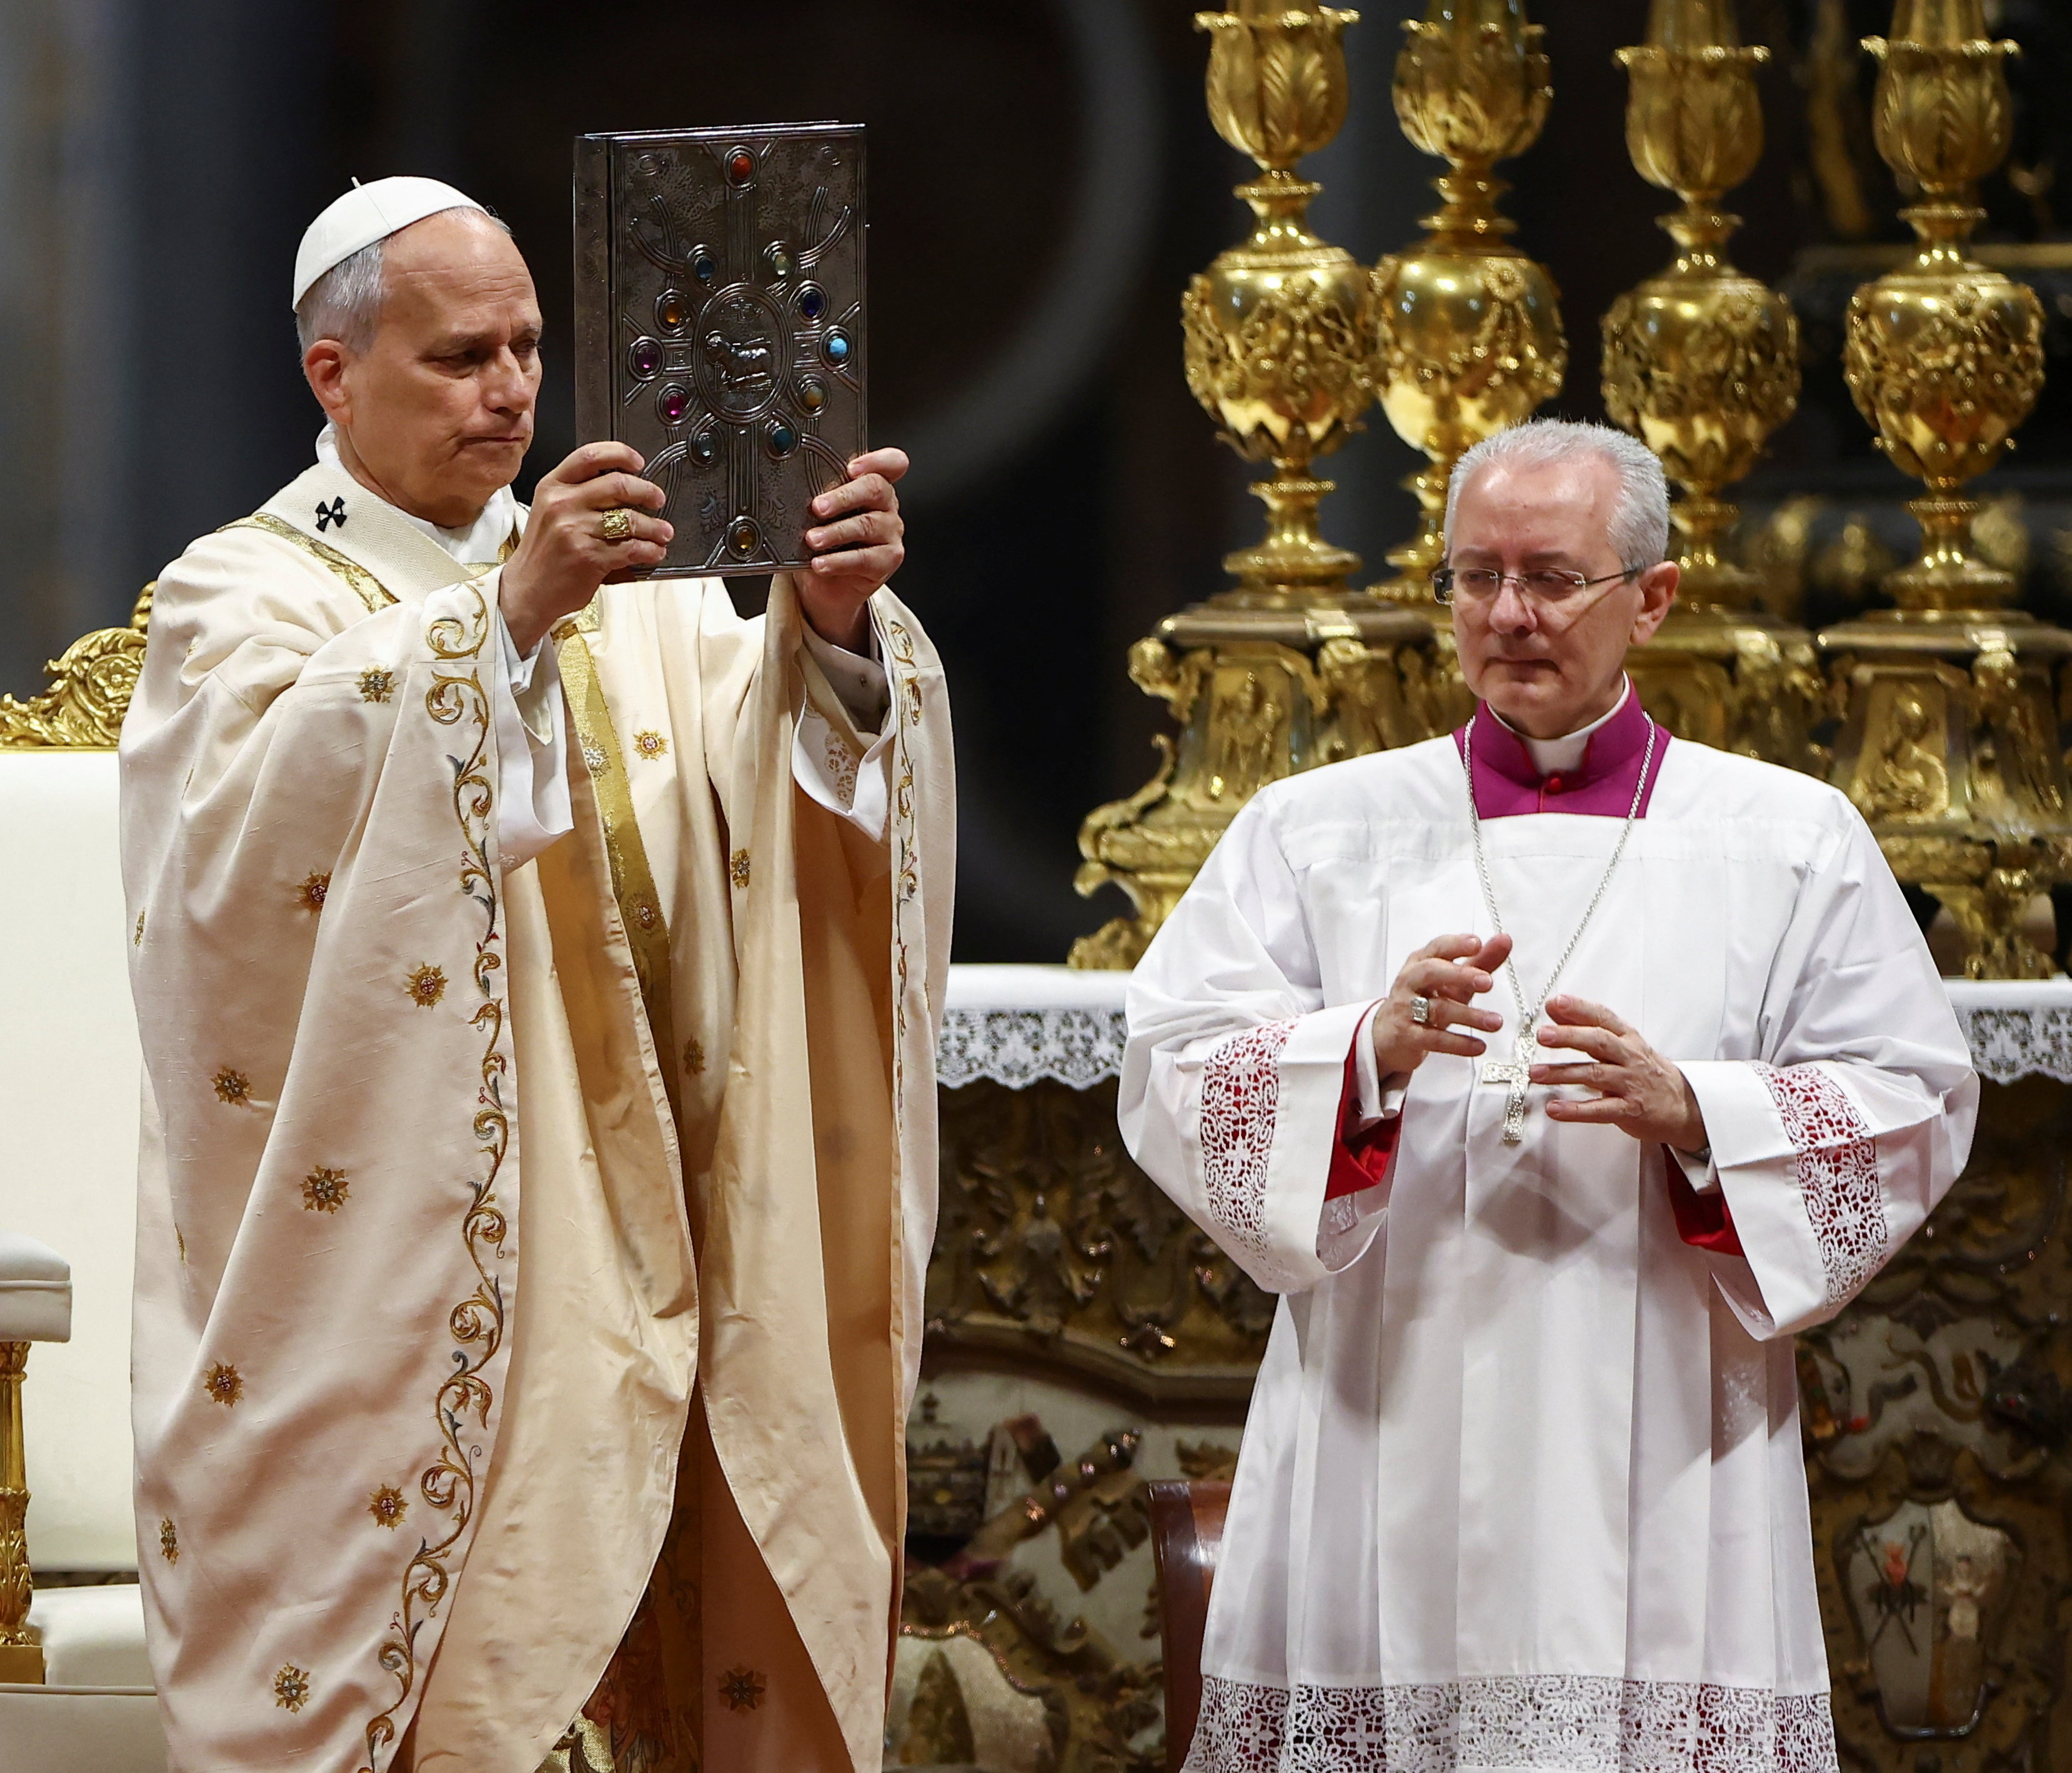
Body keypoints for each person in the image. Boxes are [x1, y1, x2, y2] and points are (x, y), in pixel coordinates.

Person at [119, 177, 956, 1773]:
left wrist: (831, 629)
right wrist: (497, 626)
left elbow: (756, 796)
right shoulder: (245, 592)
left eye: (524, 347)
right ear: (332, 374)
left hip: (671, 1209)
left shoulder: (625, 573)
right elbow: (233, 894)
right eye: (459, 357)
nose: (510, 390)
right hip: (434, 1257)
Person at [1121, 417, 1975, 1772]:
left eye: (1552, 577)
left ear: (1654, 595)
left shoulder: (1784, 837)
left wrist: (1699, 1113)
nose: (1507, 613)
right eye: (1476, 576)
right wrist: (1362, 1054)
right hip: (1382, 1406)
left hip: (1667, 1429)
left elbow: (1910, 1097)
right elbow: (1174, 1064)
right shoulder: (1315, 829)